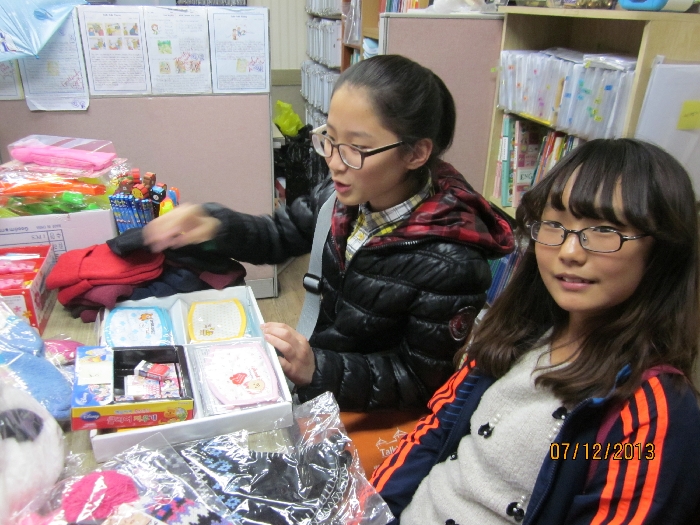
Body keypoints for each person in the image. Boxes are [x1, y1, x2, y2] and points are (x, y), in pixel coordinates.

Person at [142, 55, 514, 412]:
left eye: (357, 148)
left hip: (371, 414)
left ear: (415, 153)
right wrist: (216, 226)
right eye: (330, 139)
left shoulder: (452, 262)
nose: (334, 162)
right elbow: (280, 234)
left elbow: (420, 380)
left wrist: (318, 368)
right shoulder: (341, 197)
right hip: (324, 380)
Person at [370, 138, 700, 524]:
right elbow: (434, 431)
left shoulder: (654, 412)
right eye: (555, 224)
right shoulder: (518, 333)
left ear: (662, 252)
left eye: (604, 230)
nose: (569, 252)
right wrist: (367, 513)